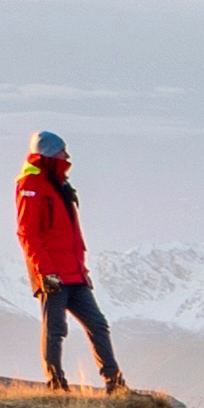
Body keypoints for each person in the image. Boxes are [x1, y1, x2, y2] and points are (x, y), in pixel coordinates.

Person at [14, 132, 125, 391]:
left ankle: (115, 382)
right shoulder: (31, 184)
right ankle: (56, 382)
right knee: (56, 328)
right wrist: (46, 273)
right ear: (50, 153)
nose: (68, 156)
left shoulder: (59, 184)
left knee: (97, 324)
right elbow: (28, 234)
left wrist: (81, 270)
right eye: (63, 151)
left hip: (74, 272)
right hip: (53, 273)